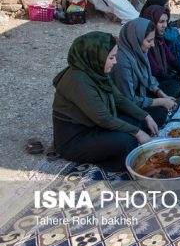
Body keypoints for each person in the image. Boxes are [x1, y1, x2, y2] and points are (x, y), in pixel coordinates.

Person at [52, 32, 158, 170]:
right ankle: (113, 166)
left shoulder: (95, 69)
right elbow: (103, 119)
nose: (115, 62)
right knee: (127, 141)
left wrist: (146, 116)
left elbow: (118, 98)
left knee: (142, 121)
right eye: (111, 57)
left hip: (94, 126)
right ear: (96, 56)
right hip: (76, 139)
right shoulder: (78, 81)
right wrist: (137, 132)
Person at [111, 19, 179, 128]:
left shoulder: (139, 51)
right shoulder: (122, 62)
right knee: (159, 115)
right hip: (128, 105)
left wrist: (160, 94)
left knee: (174, 86)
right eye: (149, 41)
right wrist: (161, 102)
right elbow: (128, 100)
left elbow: (148, 78)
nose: (152, 45)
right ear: (135, 40)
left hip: (142, 93)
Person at [141, 5, 180, 91]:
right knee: (175, 87)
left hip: (164, 74)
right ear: (152, 22)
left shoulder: (159, 39)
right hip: (154, 83)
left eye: (166, 21)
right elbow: (156, 72)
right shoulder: (146, 42)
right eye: (161, 22)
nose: (165, 25)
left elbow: (171, 59)